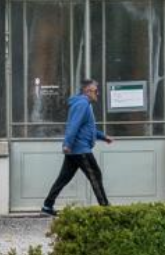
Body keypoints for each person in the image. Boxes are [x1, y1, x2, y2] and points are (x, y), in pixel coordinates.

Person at [40, 78, 113, 215]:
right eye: (96, 91)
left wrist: (103, 137)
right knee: (95, 175)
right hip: (80, 149)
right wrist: (67, 144)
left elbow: (88, 128)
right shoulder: (82, 104)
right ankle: (105, 208)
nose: (97, 93)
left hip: (75, 150)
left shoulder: (85, 104)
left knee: (63, 178)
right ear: (87, 91)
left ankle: (47, 206)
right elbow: (73, 125)